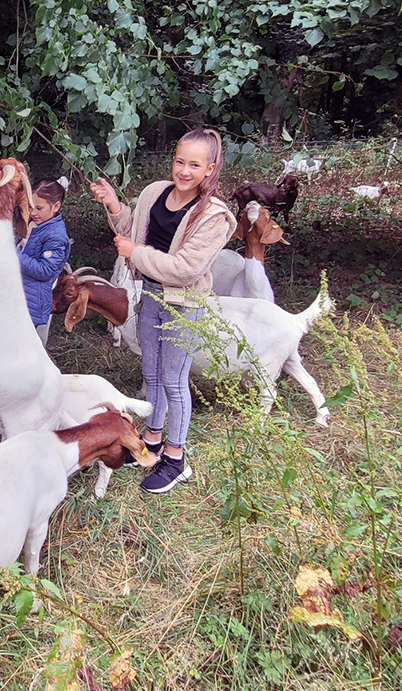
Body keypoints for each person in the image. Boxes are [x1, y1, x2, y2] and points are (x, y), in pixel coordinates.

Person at [89, 128, 236, 495]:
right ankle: (151, 444)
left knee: (173, 380)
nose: (184, 171)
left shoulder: (214, 215)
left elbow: (186, 267)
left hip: (184, 306)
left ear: (210, 169)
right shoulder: (155, 192)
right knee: (151, 375)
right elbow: (132, 231)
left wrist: (134, 254)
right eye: (179, 161)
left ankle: (176, 459)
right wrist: (113, 205)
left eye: (194, 165)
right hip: (151, 295)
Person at [18, 177, 73, 345]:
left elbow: (45, 270)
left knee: (22, 347)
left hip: (32, 303)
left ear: (56, 206)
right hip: (22, 297)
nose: (33, 212)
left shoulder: (55, 236)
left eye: (39, 208)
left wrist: (13, 255)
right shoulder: (37, 224)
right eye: (30, 206)